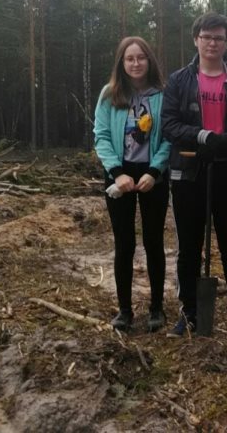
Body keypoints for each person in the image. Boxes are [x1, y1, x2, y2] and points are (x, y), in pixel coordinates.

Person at [161, 12, 227, 337]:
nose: (212, 43)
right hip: (188, 173)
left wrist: (224, 141)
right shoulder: (179, 81)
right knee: (189, 248)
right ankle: (190, 314)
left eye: (218, 38)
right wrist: (201, 136)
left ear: (226, 43)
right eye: (206, 37)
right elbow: (169, 125)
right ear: (196, 39)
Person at [93, 36, 171, 332]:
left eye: (141, 58)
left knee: (154, 242)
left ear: (149, 61)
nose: (136, 63)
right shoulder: (109, 94)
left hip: (153, 175)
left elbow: (168, 137)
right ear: (122, 63)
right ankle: (124, 311)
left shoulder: (163, 94)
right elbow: (100, 135)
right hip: (119, 175)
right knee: (123, 243)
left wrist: (155, 170)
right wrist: (116, 172)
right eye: (130, 59)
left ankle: (157, 309)